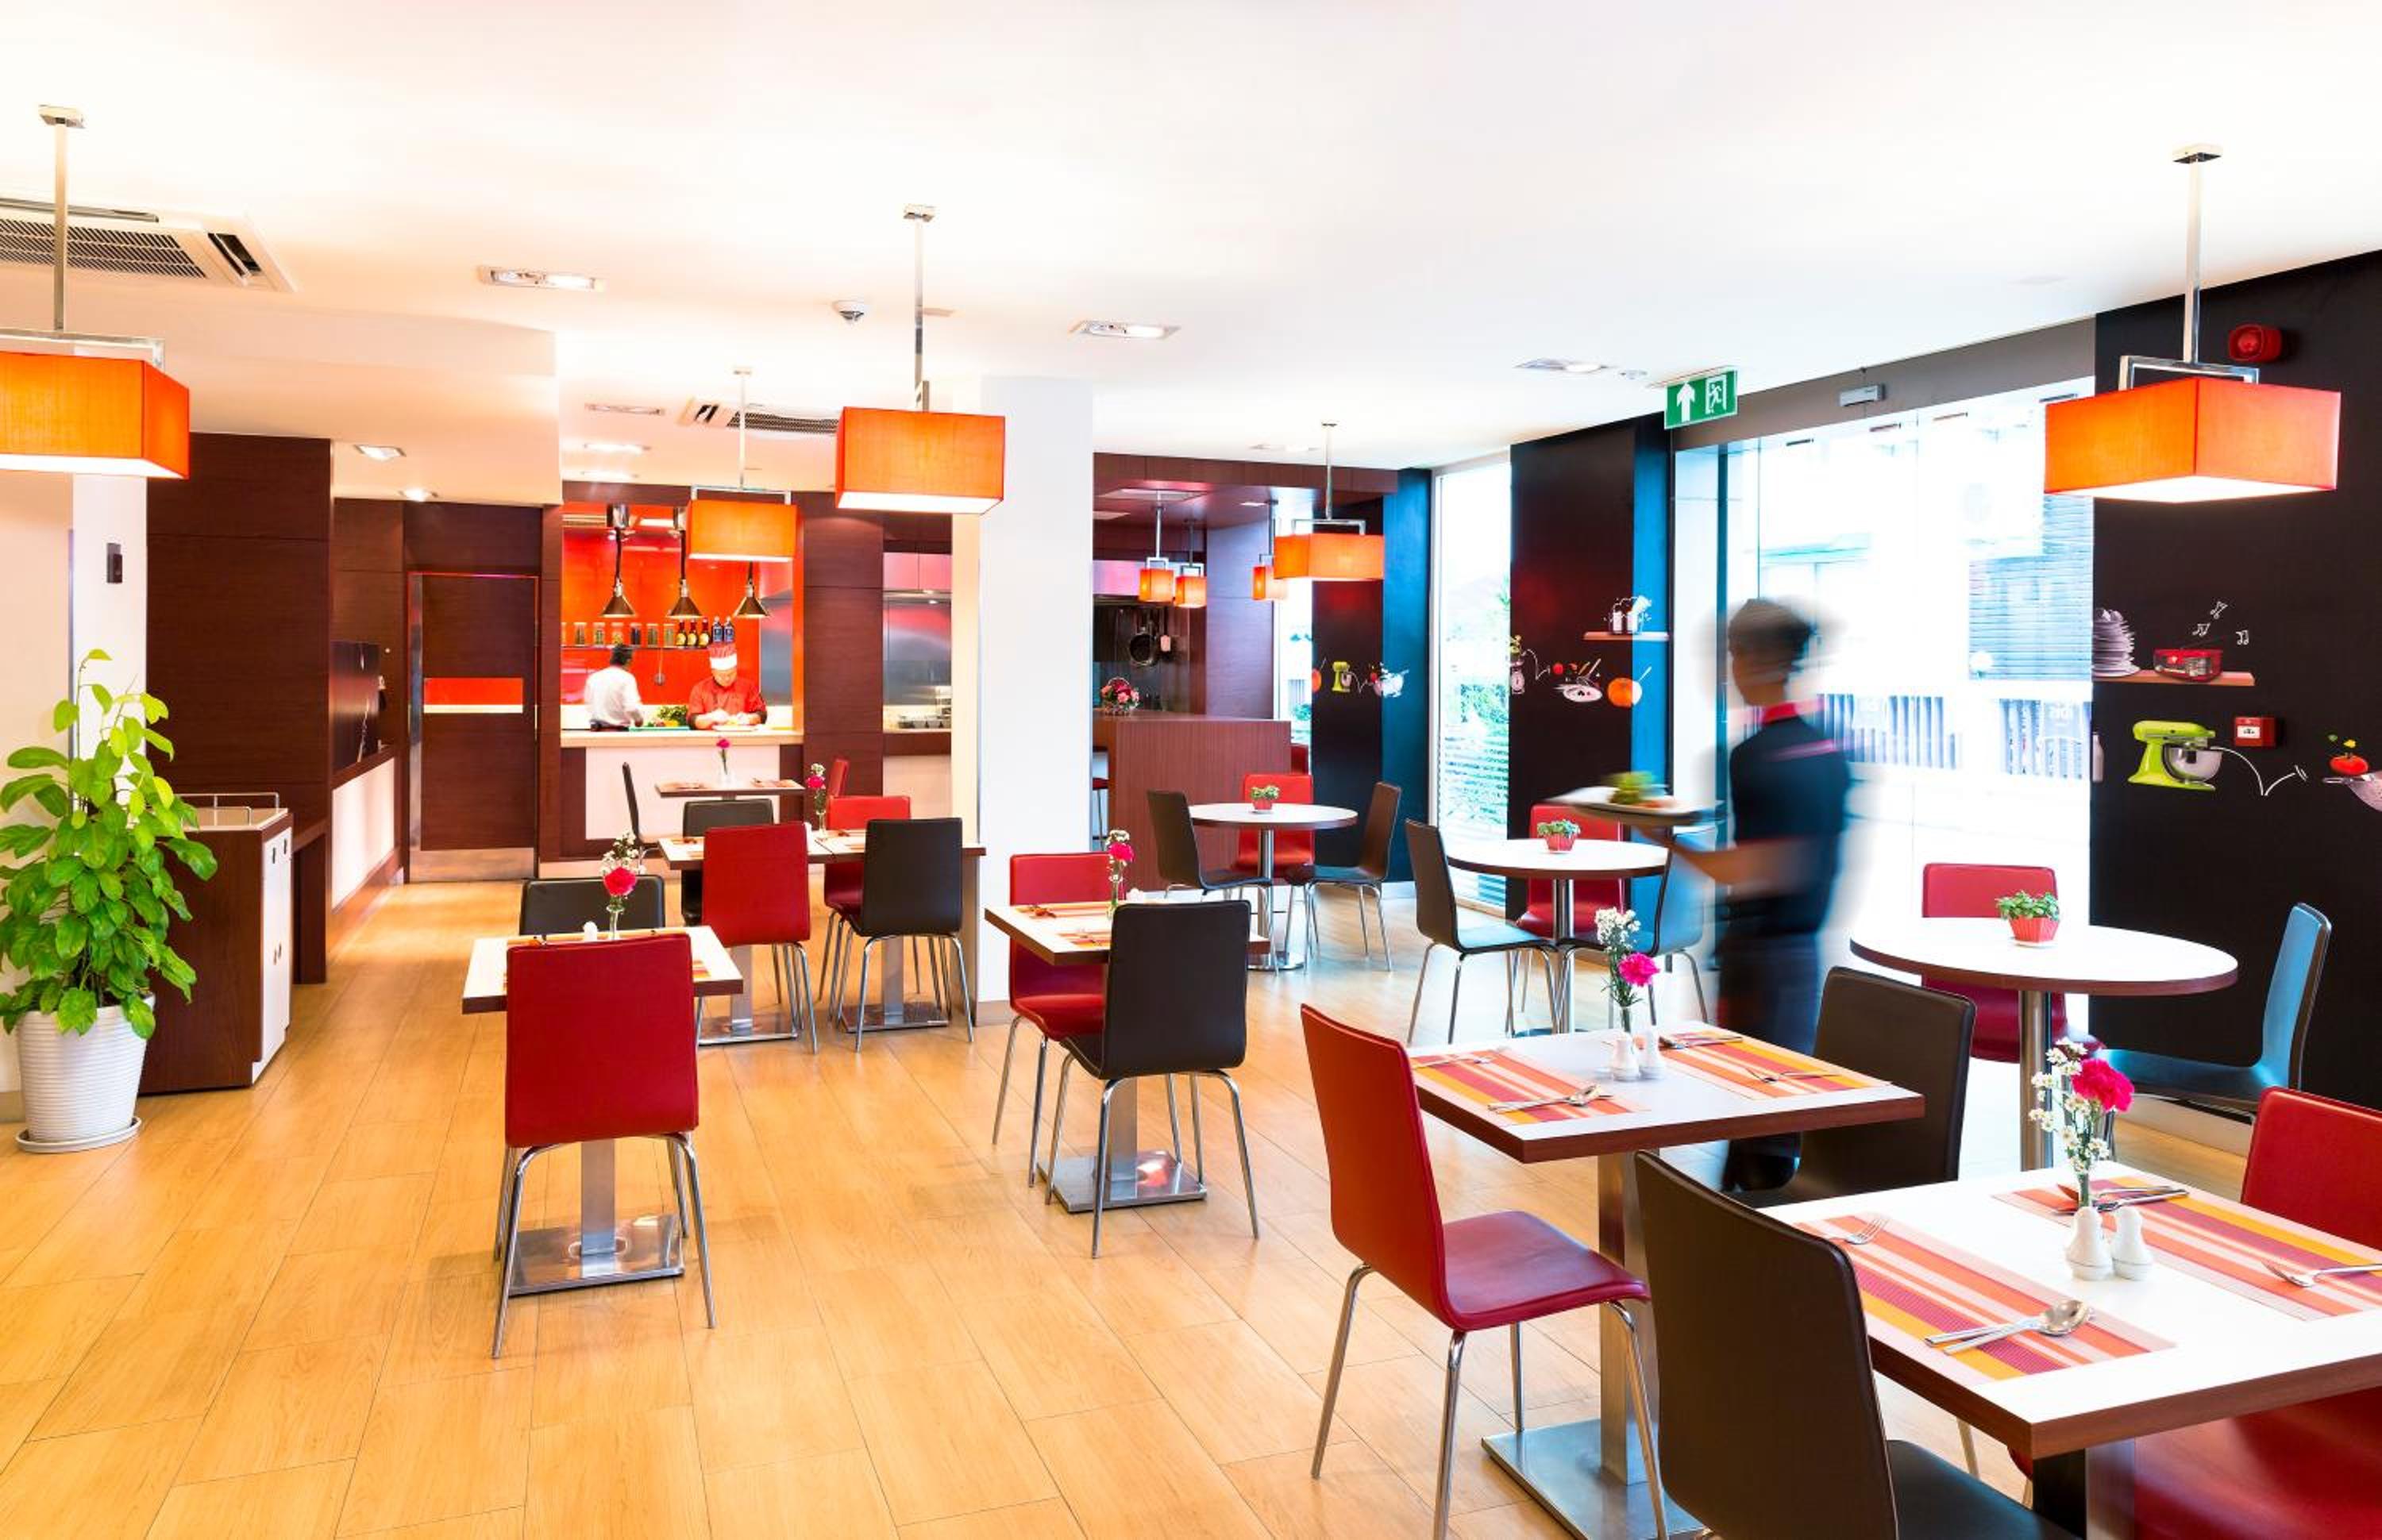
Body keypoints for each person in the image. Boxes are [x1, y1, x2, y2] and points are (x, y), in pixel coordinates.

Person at [1649, 599, 1848, 1192]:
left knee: (1759, 1117)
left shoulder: (1758, 757)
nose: (1728, 670)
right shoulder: (1824, 750)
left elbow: (1758, 868)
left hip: (1762, 961)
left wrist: (1666, 839)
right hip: (1800, 955)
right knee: (1767, 1112)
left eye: (1734, 654)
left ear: (1757, 660)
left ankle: (1753, 1225)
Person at [688, 641, 765, 728]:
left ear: (736, 669)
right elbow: (692, 721)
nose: (727, 679)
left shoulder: (748, 686)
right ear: (713, 672)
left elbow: (762, 715)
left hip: (741, 735)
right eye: (721, 675)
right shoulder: (700, 689)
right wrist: (710, 717)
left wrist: (750, 718)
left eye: (731, 674)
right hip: (710, 736)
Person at [583, 643, 645, 730]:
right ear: (628, 661)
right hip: (616, 732)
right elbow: (632, 707)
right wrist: (639, 720)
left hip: (595, 731)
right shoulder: (627, 678)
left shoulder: (594, 677)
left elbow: (589, 704)